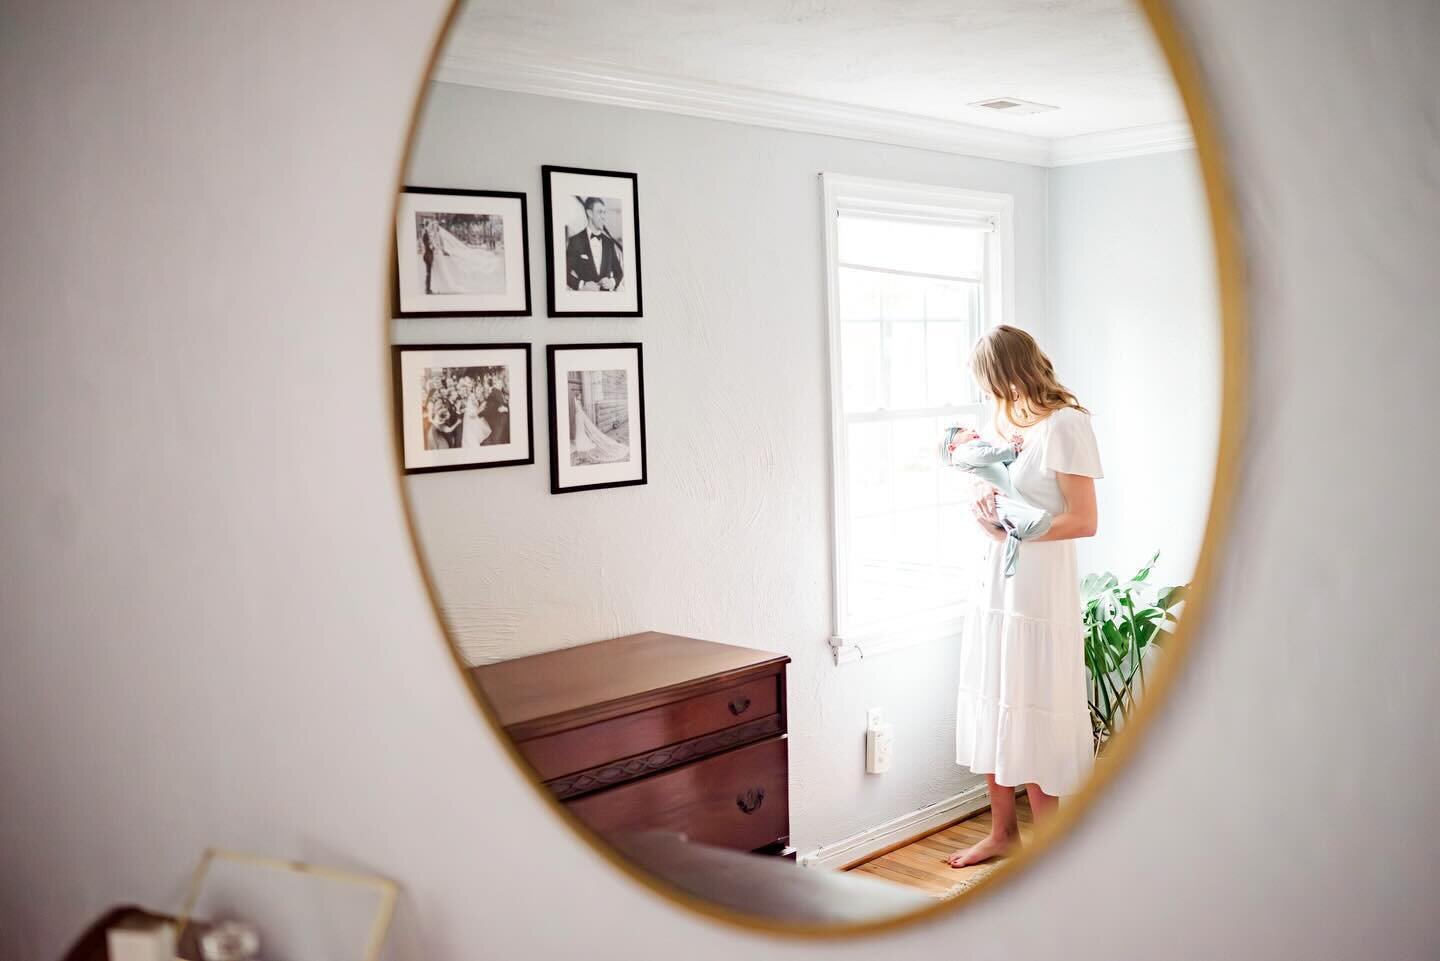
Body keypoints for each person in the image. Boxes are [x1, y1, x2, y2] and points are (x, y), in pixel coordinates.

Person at [948, 324, 1103, 869]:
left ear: (1012, 373)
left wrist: (1023, 530)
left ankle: (1053, 848)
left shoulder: (1066, 425)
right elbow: (996, 483)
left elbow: (1084, 520)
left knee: (1032, 702)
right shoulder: (1005, 419)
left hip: (1038, 592)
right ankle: (1002, 835)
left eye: (992, 382)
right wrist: (984, 501)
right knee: (996, 696)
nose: (990, 395)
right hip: (995, 581)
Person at [565, 197, 623, 292]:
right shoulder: (575, 241)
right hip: (584, 302)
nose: (604, 216)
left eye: (604, 213)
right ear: (590, 213)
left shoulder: (609, 243)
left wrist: (612, 282)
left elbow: (619, 273)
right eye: (600, 212)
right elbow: (563, 273)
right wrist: (581, 285)